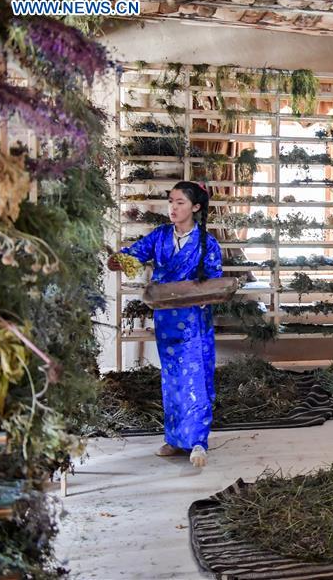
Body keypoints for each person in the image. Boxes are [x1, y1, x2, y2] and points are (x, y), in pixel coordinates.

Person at [109, 181, 222, 468]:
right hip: (167, 320)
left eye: (180, 202)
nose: (173, 207)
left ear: (196, 207)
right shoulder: (159, 236)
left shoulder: (208, 243)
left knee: (196, 378)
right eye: (171, 201)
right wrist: (119, 260)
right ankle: (174, 438)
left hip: (194, 320)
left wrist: (204, 299)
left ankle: (197, 442)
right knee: (172, 378)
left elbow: (214, 280)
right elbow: (133, 255)